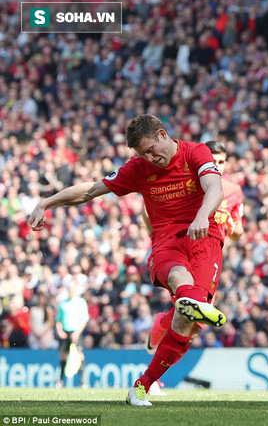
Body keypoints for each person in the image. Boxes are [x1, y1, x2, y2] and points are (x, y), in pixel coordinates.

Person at [29, 114, 226, 406]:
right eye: (142, 154)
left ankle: (142, 385)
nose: (149, 157)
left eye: (151, 149)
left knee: (185, 325)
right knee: (178, 280)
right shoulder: (138, 168)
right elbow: (90, 190)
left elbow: (215, 188)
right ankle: (189, 302)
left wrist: (201, 215)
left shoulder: (195, 152)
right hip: (166, 241)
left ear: (162, 134)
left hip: (204, 237)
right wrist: (46, 202)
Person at [144, 140, 244, 395]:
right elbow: (148, 213)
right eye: (214, 160)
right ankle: (150, 380)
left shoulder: (233, 191)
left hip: (210, 255)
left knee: (194, 324)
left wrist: (232, 226)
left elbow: (238, 230)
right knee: (189, 315)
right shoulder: (190, 178)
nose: (217, 166)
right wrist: (157, 238)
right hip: (182, 250)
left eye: (222, 162)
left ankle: (162, 327)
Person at [55, 281, 88, 388]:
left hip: (76, 331)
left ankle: (82, 382)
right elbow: (58, 320)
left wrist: (77, 333)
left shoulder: (81, 302)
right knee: (63, 356)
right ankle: (60, 381)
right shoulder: (63, 303)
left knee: (79, 355)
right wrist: (60, 331)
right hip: (65, 332)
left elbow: (84, 320)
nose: (71, 291)